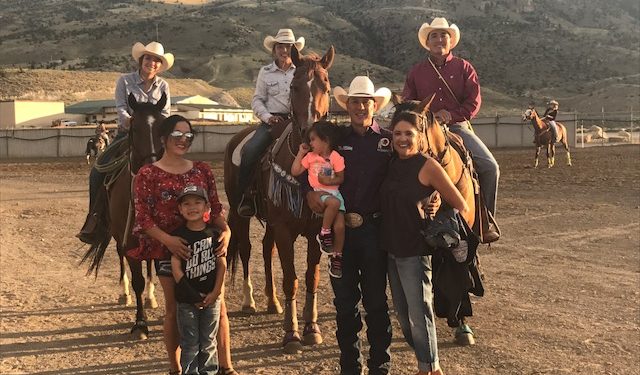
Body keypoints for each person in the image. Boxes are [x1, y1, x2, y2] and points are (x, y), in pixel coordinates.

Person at [130, 115, 236, 375]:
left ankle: (226, 366)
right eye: (177, 136)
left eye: (188, 136)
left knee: (218, 306)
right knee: (174, 309)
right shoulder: (146, 174)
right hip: (168, 251)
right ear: (163, 139)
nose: (183, 140)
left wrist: (228, 231)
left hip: (205, 250)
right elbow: (143, 218)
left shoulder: (202, 169)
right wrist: (169, 241)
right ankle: (176, 369)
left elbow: (215, 207)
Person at [307, 76, 393, 375]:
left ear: (374, 105)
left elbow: (411, 171)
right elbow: (311, 168)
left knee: (376, 301)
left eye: (364, 102)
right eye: (354, 101)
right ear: (348, 106)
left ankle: (380, 364)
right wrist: (310, 192)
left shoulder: (389, 140)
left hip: (374, 231)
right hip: (342, 231)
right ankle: (349, 366)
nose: (359, 107)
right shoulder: (336, 140)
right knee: (345, 303)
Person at [381, 109, 470, 375]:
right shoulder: (391, 164)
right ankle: (428, 360)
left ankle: (430, 368)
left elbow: (460, 204)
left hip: (415, 251)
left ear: (420, 137)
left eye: (409, 133)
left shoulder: (428, 165)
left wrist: (437, 216)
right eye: (397, 133)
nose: (402, 138)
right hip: (391, 250)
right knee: (405, 319)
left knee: (420, 316)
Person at [77, 41, 173, 244]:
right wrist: (130, 121)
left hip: (154, 138)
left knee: (178, 170)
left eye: (156, 60)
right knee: (97, 170)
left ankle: (179, 217)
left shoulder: (163, 86)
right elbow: (121, 107)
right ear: (141, 60)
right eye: (148, 58)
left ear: (160, 65)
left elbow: (165, 114)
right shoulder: (125, 81)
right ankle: (95, 219)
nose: (152, 63)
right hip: (127, 134)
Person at [403, 17, 500, 217]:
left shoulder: (464, 68)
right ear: (427, 42)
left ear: (451, 41)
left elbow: (473, 103)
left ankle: (486, 219)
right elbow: (408, 104)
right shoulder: (416, 72)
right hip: (424, 132)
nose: (439, 39)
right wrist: (427, 118)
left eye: (444, 35)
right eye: (434, 36)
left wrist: (451, 115)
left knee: (490, 168)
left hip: (457, 128)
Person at [237, 28, 305, 217]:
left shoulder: (301, 71)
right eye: (280, 47)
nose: (284, 51)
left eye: (288, 47)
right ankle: (246, 196)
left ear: (294, 50)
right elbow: (257, 99)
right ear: (274, 49)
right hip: (272, 121)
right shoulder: (265, 72)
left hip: (295, 121)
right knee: (251, 151)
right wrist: (268, 117)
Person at [171, 185, 227, 375]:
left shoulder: (214, 234)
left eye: (197, 202)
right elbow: (176, 268)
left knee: (209, 342)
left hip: (212, 299)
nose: (192, 207)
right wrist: (192, 294)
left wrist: (216, 292)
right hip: (187, 300)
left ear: (206, 207)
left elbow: (222, 264)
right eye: (186, 204)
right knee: (190, 343)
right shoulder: (178, 236)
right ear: (180, 209)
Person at [291, 120, 346, 278]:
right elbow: (295, 171)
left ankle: (337, 257)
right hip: (320, 192)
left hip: (334, 192)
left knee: (341, 227)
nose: (310, 142)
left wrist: (329, 181)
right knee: (334, 204)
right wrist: (301, 153)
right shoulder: (310, 157)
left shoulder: (335, 157)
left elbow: (341, 177)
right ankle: (324, 232)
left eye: (313, 139)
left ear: (326, 140)